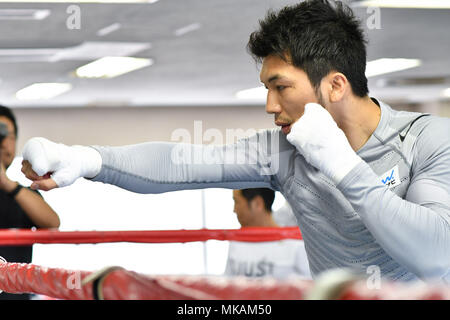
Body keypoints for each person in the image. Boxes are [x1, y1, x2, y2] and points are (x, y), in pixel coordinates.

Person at [20, 0, 449, 283]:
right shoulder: (285, 152)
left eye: (280, 87)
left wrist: (342, 164)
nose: (269, 105)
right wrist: (88, 159)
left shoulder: (426, 140)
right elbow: (184, 162)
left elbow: (434, 253)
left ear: (335, 85)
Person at [0, 106, 60, 300]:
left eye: (6, 135)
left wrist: (8, 184)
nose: (1, 143)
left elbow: (52, 223)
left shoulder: (22, 195)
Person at [225, 188, 311, 279]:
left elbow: (310, 289)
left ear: (257, 203)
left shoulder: (295, 244)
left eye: (236, 202)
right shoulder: (236, 242)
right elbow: (226, 285)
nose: (234, 210)